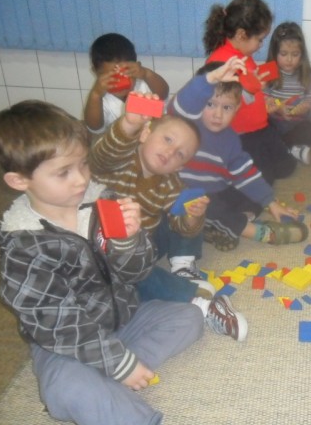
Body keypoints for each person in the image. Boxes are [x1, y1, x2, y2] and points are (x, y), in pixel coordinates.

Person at [0, 100, 222, 424]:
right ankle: (116, 388)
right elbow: (56, 321)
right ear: (19, 181)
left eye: (83, 164)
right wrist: (119, 364)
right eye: (63, 172)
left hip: (123, 316)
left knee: (189, 317)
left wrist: (130, 241)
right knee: (66, 388)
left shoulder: (104, 200)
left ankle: (108, 377)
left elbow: (137, 272)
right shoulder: (24, 246)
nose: (81, 179)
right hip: (65, 342)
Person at [89, 84, 248, 341]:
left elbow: (182, 225)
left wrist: (192, 217)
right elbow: (104, 155)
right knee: (133, 278)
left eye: (180, 154)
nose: (170, 152)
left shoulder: (171, 182)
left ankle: (183, 264)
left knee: (190, 203)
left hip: (147, 243)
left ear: (180, 166)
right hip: (110, 253)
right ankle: (201, 304)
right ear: (145, 133)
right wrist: (129, 124)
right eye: (168, 140)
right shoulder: (118, 160)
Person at [167, 59, 309, 253]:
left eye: (227, 108)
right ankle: (252, 231)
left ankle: (219, 226)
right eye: (210, 104)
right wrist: (210, 79)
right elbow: (181, 104)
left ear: (237, 108)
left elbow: (245, 175)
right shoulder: (187, 123)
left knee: (253, 190)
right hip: (186, 196)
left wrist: (272, 204)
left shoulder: (231, 139)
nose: (218, 114)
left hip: (217, 192)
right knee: (210, 205)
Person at [203, 0, 296, 185]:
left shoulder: (243, 54)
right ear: (241, 35)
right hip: (240, 135)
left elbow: (250, 90)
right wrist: (250, 92)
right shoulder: (220, 63)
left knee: (287, 166)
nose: (261, 45)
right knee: (264, 181)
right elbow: (222, 105)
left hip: (260, 127)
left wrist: (262, 98)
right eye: (260, 40)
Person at [84, 33, 170, 134]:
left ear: (136, 68)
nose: (119, 83)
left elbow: (163, 94)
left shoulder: (145, 84)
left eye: (125, 74)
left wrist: (147, 74)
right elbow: (94, 127)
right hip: (121, 143)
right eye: (111, 78)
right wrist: (95, 95)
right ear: (97, 73)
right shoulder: (101, 101)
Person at [264, 21, 311, 166]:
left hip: (297, 124)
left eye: (295, 54)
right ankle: (290, 148)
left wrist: (307, 108)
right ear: (274, 53)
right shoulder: (267, 72)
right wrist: (278, 107)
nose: (289, 60)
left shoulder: (309, 76)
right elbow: (262, 98)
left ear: (302, 55)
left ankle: (283, 147)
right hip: (274, 122)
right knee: (261, 129)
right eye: (283, 54)